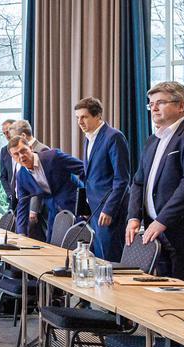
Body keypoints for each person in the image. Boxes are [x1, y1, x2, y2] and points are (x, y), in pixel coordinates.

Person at [126, 81, 184, 288]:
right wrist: (133, 217)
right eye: (151, 104)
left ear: (181, 106)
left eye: (160, 103)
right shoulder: (152, 140)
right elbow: (138, 182)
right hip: (156, 233)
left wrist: (162, 220)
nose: (154, 108)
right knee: (162, 298)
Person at [74, 97, 130, 262]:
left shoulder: (113, 137)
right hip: (95, 208)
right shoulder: (88, 138)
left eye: (84, 117)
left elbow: (122, 179)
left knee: (110, 259)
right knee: (99, 257)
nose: (80, 122)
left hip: (109, 209)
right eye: (78, 118)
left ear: (97, 115)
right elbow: (91, 177)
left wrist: (109, 209)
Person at [9, 136, 83, 242]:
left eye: (23, 150)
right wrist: (21, 234)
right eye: (16, 154)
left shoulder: (53, 157)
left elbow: (83, 169)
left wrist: (87, 201)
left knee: (81, 244)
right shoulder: (21, 176)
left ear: (30, 147)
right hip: (54, 212)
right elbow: (22, 205)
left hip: (77, 206)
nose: (21, 156)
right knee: (52, 245)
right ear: (13, 157)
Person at [9, 119, 51, 240]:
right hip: (24, 200)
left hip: (41, 207)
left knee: (45, 239)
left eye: (14, 137)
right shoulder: (16, 151)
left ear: (23, 136)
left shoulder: (42, 150)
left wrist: (33, 209)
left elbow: (41, 183)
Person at [0, 119, 17, 209]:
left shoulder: (26, 149)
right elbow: (3, 176)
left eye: (8, 131)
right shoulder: (4, 151)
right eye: (4, 133)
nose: (7, 135)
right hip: (12, 199)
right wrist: (10, 194)